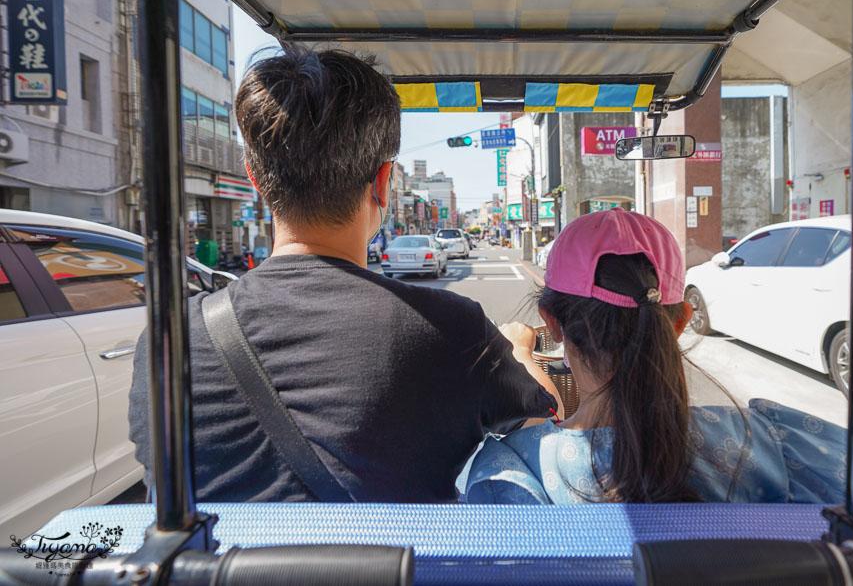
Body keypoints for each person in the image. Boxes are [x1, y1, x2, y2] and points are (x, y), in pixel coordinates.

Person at [129, 47, 559, 504]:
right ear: (382, 182)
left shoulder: (170, 340)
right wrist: (518, 346)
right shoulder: (449, 328)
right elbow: (545, 410)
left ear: (254, 177)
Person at [466, 208, 847, 505]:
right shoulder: (771, 440)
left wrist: (519, 355)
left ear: (552, 321)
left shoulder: (512, 475)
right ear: (680, 321)